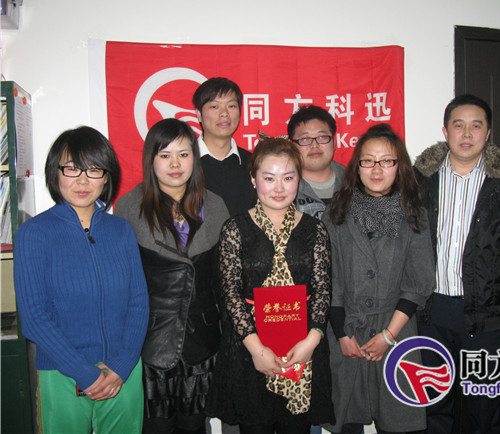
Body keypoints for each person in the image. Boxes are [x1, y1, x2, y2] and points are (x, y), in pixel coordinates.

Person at [414, 94, 500, 434]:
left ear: (488, 133)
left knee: (482, 409)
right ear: (445, 131)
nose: (467, 134)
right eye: (459, 125)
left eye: (476, 126)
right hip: (430, 312)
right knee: (431, 405)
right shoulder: (419, 180)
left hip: (488, 316)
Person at [14, 126, 149, 433]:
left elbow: (139, 303)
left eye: (94, 170)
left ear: (106, 177)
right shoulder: (34, 233)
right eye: (72, 169)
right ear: (56, 172)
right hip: (61, 372)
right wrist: (84, 373)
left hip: (122, 371)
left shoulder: (121, 230)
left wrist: (122, 365)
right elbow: (34, 317)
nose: (83, 181)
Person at [206, 136, 335, 434]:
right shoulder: (235, 229)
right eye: (269, 178)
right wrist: (257, 350)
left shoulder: (315, 230)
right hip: (250, 353)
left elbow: (322, 290)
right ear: (253, 179)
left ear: (299, 179)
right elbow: (230, 295)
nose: (279, 188)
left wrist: (310, 342)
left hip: (302, 350)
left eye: (288, 178)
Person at [115, 118, 230, 434]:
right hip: (151, 341)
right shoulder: (128, 207)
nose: (175, 164)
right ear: (150, 160)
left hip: (203, 340)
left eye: (184, 154)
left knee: (195, 426)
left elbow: (224, 281)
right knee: (156, 427)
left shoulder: (215, 205)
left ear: (195, 157)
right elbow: (124, 283)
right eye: (165, 155)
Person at [322, 124, 435, 434]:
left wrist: (388, 335)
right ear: (356, 166)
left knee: (397, 424)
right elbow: (330, 282)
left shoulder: (415, 215)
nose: (376, 169)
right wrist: (342, 334)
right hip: (348, 332)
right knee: (347, 422)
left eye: (386, 161)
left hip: (396, 329)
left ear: (399, 166)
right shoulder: (335, 214)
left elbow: (419, 284)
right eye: (368, 160)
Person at [193, 77, 256, 217]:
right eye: (214, 107)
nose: (224, 113)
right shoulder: (184, 163)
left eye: (231, 106)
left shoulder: (254, 163)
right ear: (199, 114)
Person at [288, 105, 345, 220]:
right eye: (305, 139)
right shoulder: (281, 188)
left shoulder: (355, 183)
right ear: (291, 145)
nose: (314, 145)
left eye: (322, 137)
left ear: (334, 142)